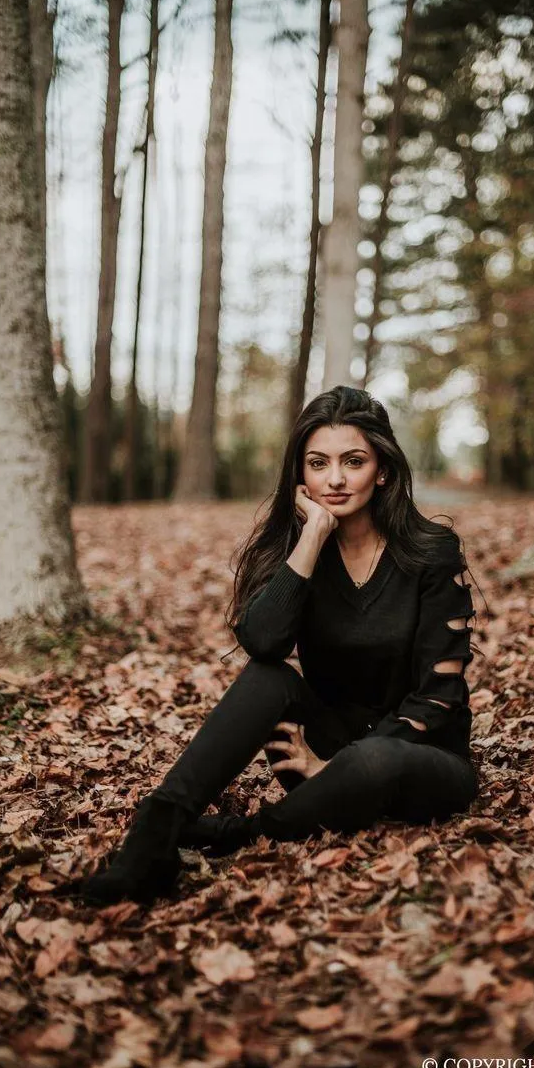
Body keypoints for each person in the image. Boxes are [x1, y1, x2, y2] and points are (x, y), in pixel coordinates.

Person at [79, 385, 480, 907]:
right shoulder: (299, 551)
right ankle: (156, 832)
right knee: (270, 678)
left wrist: (337, 767)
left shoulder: (431, 551)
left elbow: (438, 696)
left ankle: (239, 833)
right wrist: (312, 538)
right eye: (318, 464)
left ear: (382, 471)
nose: (335, 479)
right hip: (322, 751)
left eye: (353, 461)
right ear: (300, 476)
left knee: (376, 760)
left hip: (420, 758)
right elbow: (263, 643)